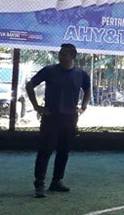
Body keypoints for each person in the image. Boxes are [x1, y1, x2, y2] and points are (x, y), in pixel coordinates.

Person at [26, 43, 91, 198]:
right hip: (51, 118)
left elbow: (87, 90)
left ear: (73, 56)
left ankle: (57, 181)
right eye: (60, 53)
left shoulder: (81, 74)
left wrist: (83, 107)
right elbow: (30, 85)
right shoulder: (49, 71)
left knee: (64, 150)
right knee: (45, 150)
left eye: (64, 54)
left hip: (69, 119)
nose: (61, 56)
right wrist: (37, 107)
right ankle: (39, 184)